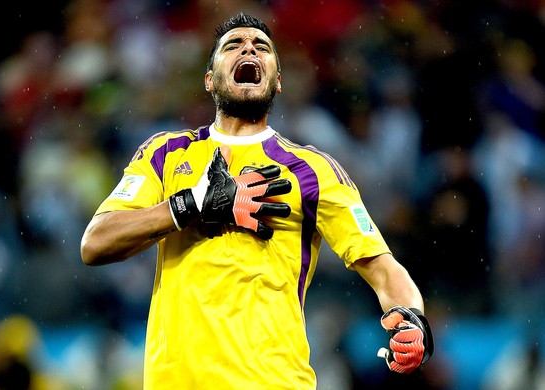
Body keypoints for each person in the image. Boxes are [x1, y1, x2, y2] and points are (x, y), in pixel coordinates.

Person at [81, 12, 433, 389]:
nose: (248, 48)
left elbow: (381, 266)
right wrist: (192, 205)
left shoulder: (312, 170)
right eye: (233, 45)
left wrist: (411, 317)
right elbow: (96, 242)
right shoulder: (165, 153)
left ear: (277, 81)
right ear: (209, 79)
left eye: (261, 47)